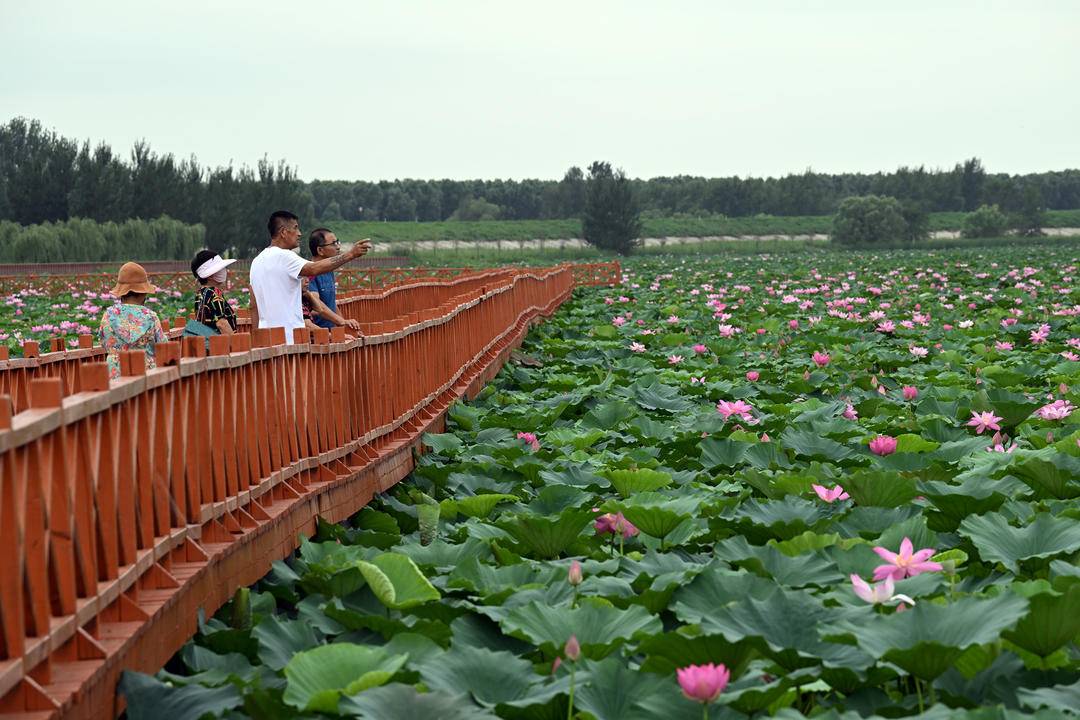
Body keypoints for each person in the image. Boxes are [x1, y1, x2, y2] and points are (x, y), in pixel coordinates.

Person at [249, 211, 371, 343]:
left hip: (267, 338)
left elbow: (254, 305)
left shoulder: (256, 261)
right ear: (283, 232)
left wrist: (257, 340)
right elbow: (313, 268)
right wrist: (350, 255)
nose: (299, 233)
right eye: (295, 228)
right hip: (290, 338)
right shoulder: (284, 256)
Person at [99, 262, 166, 379]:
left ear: (121, 292)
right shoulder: (151, 317)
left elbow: (103, 342)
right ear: (143, 293)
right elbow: (163, 346)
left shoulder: (108, 315)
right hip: (145, 374)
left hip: (115, 374)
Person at [307, 228, 360, 332]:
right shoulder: (310, 273)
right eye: (333, 244)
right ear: (320, 250)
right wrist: (340, 321)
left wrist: (344, 326)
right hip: (318, 334)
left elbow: (331, 303)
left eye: (338, 242)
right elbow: (315, 304)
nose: (338, 247)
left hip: (331, 331)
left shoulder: (329, 271)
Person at [190, 250, 238, 334]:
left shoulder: (200, 293)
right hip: (219, 344)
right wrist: (236, 344)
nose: (224, 270)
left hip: (205, 343)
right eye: (220, 269)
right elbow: (221, 324)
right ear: (210, 275)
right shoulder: (215, 294)